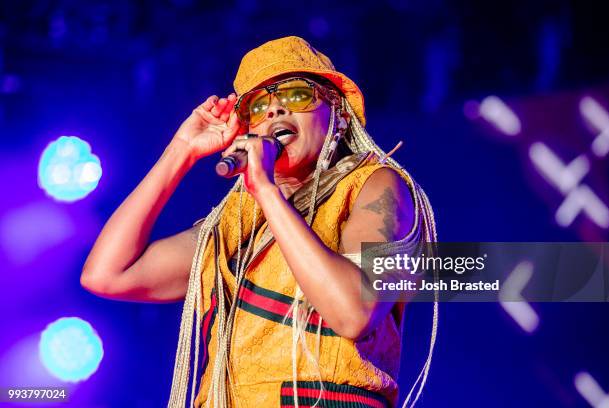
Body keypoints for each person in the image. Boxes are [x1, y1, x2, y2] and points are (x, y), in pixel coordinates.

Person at [81, 36, 437, 408]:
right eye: (258, 105)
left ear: (339, 115)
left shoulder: (375, 185)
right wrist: (182, 150)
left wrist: (267, 191)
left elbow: (353, 313)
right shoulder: (236, 221)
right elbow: (107, 274)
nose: (274, 111)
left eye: (297, 95)